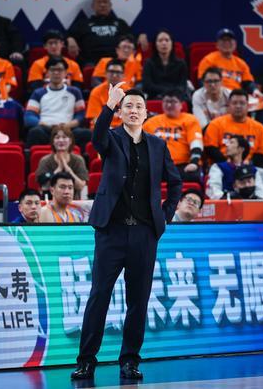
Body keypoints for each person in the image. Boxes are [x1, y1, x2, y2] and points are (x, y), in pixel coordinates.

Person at [72, 85, 181, 381]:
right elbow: (96, 138)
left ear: (146, 114)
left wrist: (165, 215)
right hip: (112, 231)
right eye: (128, 106)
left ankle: (130, 360)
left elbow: (175, 183)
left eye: (138, 107)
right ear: (121, 113)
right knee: (99, 295)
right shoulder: (111, 138)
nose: (133, 110)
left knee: (138, 300)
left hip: (144, 234)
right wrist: (109, 105)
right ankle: (86, 361)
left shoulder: (157, 145)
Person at [196, 28, 263, 125]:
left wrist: (255, 91)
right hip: (218, 95)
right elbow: (202, 82)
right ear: (217, 44)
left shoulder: (240, 63)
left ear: (235, 44)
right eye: (223, 40)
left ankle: (258, 132)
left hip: (237, 95)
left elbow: (248, 83)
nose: (227, 43)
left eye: (230, 40)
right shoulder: (209, 60)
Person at [66, 0, 145, 66]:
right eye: (99, 2)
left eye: (105, 2)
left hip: (117, 62)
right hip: (92, 62)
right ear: (93, 6)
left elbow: (131, 39)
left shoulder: (120, 23)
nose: (102, 5)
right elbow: (66, 37)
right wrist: (70, 39)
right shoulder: (83, 24)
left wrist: (141, 35)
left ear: (110, 5)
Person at [24, 57, 91, 148]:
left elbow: (81, 115)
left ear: (65, 73)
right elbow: (29, 117)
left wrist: (68, 125)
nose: (56, 73)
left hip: (69, 129)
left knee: (86, 134)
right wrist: (46, 125)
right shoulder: (38, 93)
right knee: (35, 132)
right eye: (52, 70)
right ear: (47, 72)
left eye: (59, 70)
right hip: (46, 129)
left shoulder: (75, 92)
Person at [143, 89, 203, 182]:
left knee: (193, 175)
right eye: (166, 101)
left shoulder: (190, 120)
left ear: (181, 104)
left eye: (173, 102)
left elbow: (196, 143)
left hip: (184, 165)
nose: (169, 105)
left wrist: (194, 162)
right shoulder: (151, 122)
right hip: (158, 166)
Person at [204, 89, 263, 167]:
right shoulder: (215, 124)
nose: (238, 106)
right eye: (234, 103)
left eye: (242, 103)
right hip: (221, 167)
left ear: (248, 106)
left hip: (249, 168)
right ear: (229, 105)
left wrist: (247, 166)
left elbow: (262, 154)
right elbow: (210, 148)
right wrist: (228, 165)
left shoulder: (259, 128)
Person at [205, 135, 263, 199]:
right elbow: (213, 191)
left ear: (241, 149)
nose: (227, 145)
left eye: (231, 143)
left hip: (249, 204)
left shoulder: (253, 170)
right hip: (226, 203)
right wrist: (228, 198)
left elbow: (261, 193)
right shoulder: (218, 167)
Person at [35, 125, 89, 199]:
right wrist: (58, 169)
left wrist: (68, 169)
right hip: (51, 201)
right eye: (57, 137)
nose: (61, 140)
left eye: (64, 137)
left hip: (73, 202)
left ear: (70, 141)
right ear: (53, 141)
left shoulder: (78, 160)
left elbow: (80, 186)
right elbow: (45, 187)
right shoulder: (45, 161)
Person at [142, 29, 188, 100]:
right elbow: (147, 86)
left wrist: (171, 93)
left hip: (176, 98)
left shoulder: (181, 64)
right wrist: (167, 91)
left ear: (172, 43)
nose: (164, 43)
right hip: (155, 97)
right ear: (155, 44)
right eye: (160, 40)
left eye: (167, 40)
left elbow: (182, 86)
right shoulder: (148, 63)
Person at [85, 59, 129, 128]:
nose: (114, 75)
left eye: (118, 72)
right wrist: (109, 131)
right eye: (111, 72)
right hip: (102, 130)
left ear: (123, 75)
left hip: (123, 129)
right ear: (105, 73)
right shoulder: (96, 92)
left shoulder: (129, 92)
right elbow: (95, 119)